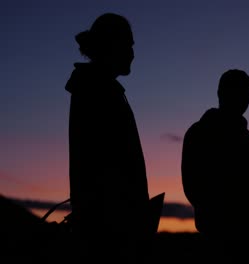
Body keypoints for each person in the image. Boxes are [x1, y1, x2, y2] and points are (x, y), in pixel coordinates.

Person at [65, 13, 153, 263]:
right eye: (130, 45)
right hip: (111, 235)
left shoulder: (98, 88)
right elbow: (105, 170)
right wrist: (129, 225)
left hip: (111, 229)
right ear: (112, 46)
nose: (133, 53)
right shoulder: (97, 91)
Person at [181, 69, 249, 263]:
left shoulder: (247, 137)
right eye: (241, 94)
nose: (245, 101)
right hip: (219, 238)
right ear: (223, 94)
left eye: (247, 95)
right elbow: (193, 186)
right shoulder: (201, 132)